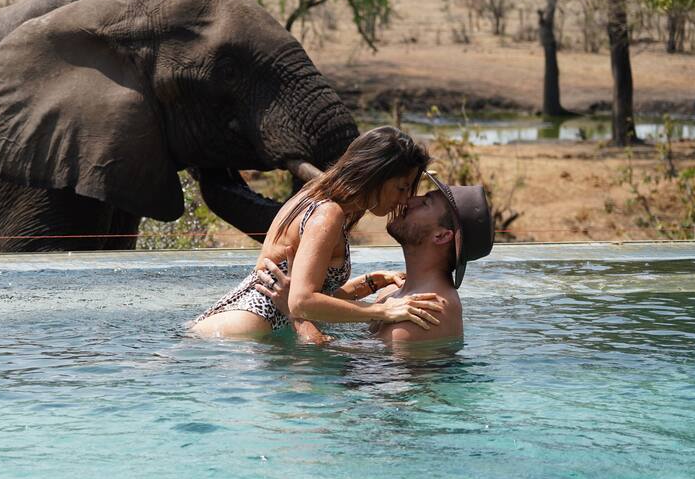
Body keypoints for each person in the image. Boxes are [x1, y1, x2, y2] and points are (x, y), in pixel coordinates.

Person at [190, 126, 446, 341]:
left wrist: (370, 281)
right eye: (401, 188)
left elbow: (312, 295)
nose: (404, 200)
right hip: (238, 337)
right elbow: (301, 302)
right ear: (374, 175)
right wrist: (383, 311)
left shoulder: (316, 193)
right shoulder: (328, 214)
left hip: (230, 328)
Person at [366, 173, 493, 342]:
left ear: (441, 236)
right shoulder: (390, 291)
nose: (408, 201)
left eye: (425, 203)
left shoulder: (426, 313)